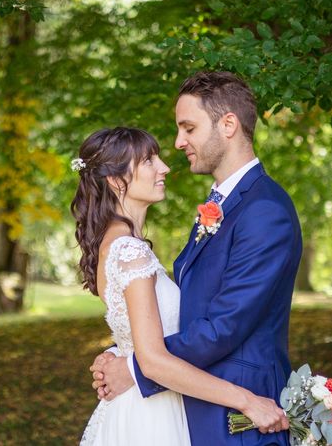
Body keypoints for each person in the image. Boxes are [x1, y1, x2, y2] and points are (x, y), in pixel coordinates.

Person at [90, 71, 303, 445]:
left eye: (188, 128)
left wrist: (137, 367)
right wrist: (125, 350)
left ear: (228, 124)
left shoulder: (264, 210)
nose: (178, 142)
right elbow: (184, 311)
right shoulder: (219, 206)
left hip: (240, 414)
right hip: (197, 404)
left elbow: (224, 325)